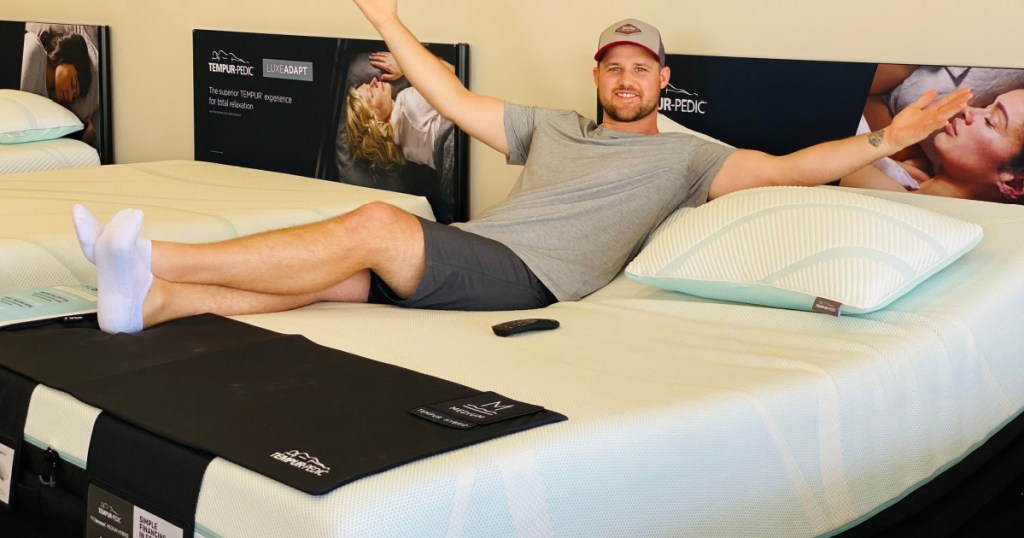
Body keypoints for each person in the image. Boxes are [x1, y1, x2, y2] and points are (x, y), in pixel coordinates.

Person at [72, 0, 971, 334]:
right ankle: (151, 304)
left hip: (536, 280)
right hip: (480, 250)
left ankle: (156, 259)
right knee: (337, 283)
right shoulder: (554, 127)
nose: (626, 78)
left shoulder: (691, 158)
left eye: (641, 68)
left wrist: (886, 143)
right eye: (613, 66)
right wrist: (390, 25)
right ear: (600, 77)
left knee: (381, 227)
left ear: (663, 80)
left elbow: (786, 169)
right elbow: (456, 103)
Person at [842, 88, 1024, 203]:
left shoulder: (893, 201)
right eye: (987, 106)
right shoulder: (912, 178)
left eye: (991, 122)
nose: (968, 111)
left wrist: (890, 138)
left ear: (1015, 183)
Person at [345, 51, 455, 171]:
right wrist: (404, 64)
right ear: (375, 120)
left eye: (368, 84)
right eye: (371, 94)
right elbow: (456, 74)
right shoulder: (407, 104)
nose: (374, 82)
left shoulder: (403, 149)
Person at [20, 28, 97, 142]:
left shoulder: (45, 99)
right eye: (73, 83)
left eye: (74, 96)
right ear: (65, 57)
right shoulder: (34, 49)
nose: (70, 97)